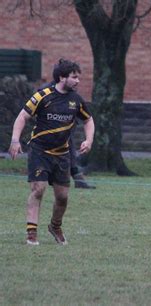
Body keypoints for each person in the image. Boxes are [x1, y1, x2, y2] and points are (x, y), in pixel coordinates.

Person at [8, 58, 95, 245]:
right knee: (38, 189)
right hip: (40, 151)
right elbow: (22, 116)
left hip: (62, 154)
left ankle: (55, 226)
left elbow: (88, 120)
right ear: (62, 77)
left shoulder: (76, 100)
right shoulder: (42, 96)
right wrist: (15, 140)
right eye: (74, 77)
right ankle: (31, 233)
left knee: (62, 197)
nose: (78, 81)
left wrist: (89, 139)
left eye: (78, 77)